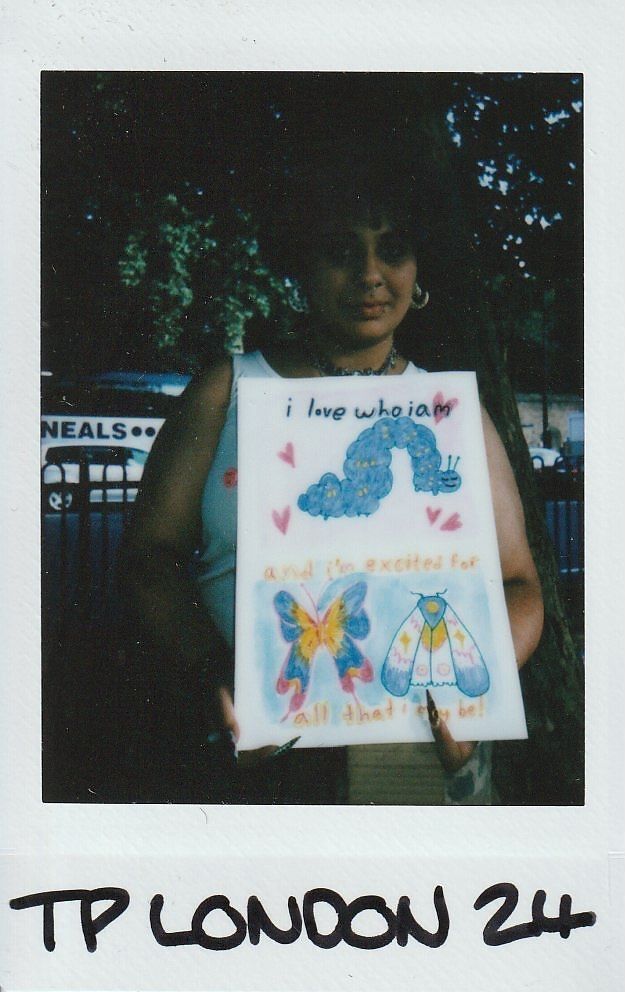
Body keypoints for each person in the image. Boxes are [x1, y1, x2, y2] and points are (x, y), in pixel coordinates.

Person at [119, 164, 544, 804]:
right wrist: (218, 674)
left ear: (419, 268)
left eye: (393, 249)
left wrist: (468, 692)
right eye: (340, 251)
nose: (370, 275)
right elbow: (149, 557)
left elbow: (520, 588)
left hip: (414, 760)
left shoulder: (451, 414)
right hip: (255, 758)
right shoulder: (229, 390)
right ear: (300, 263)